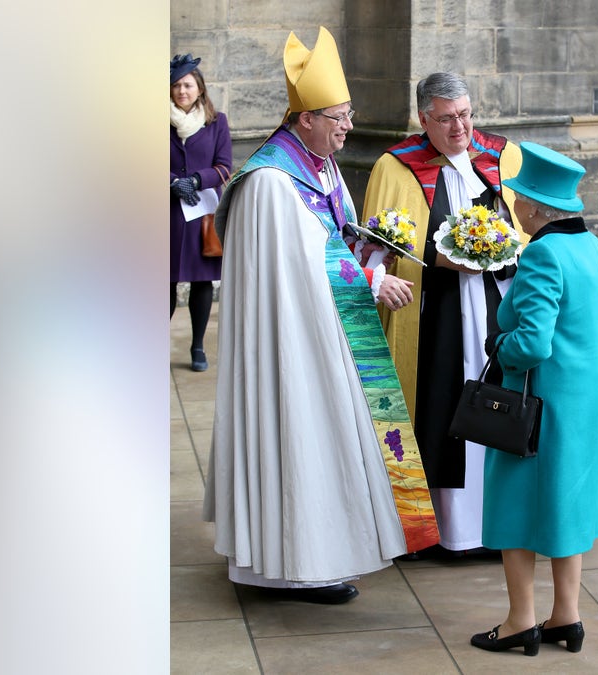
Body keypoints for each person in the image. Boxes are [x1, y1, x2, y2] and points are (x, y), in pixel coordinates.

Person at [201, 27, 438, 604]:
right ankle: (284, 567)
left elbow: (330, 242)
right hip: (290, 345)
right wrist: (370, 279)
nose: (348, 126)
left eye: (350, 114)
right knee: (296, 435)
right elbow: (297, 272)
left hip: (328, 335)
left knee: (324, 442)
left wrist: (371, 250)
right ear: (304, 118)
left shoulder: (321, 166)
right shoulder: (271, 184)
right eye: (338, 116)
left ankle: (316, 555)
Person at [361, 72, 525, 557]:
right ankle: (444, 530)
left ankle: (505, 521)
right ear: (423, 119)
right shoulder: (395, 167)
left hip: (498, 305)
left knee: (503, 406)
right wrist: (434, 258)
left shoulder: (501, 156)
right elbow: (378, 247)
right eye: (447, 118)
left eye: (467, 114)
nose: (461, 128)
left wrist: (502, 248)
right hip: (435, 314)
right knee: (441, 408)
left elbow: (530, 225)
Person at [468, 142, 598, 655]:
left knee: (517, 507)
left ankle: (519, 622)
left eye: (518, 199)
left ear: (533, 207)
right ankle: (566, 618)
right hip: (587, 400)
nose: (514, 207)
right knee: (566, 506)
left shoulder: (542, 252)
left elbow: (532, 343)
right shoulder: (590, 246)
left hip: (542, 404)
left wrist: (496, 345)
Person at [170, 53, 233, 372]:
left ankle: (197, 346)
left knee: (202, 281)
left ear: (200, 89)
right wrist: (171, 182)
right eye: (176, 85)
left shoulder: (216, 122)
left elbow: (225, 167)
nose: (182, 91)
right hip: (166, 215)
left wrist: (196, 179)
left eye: (188, 85)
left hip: (203, 216)